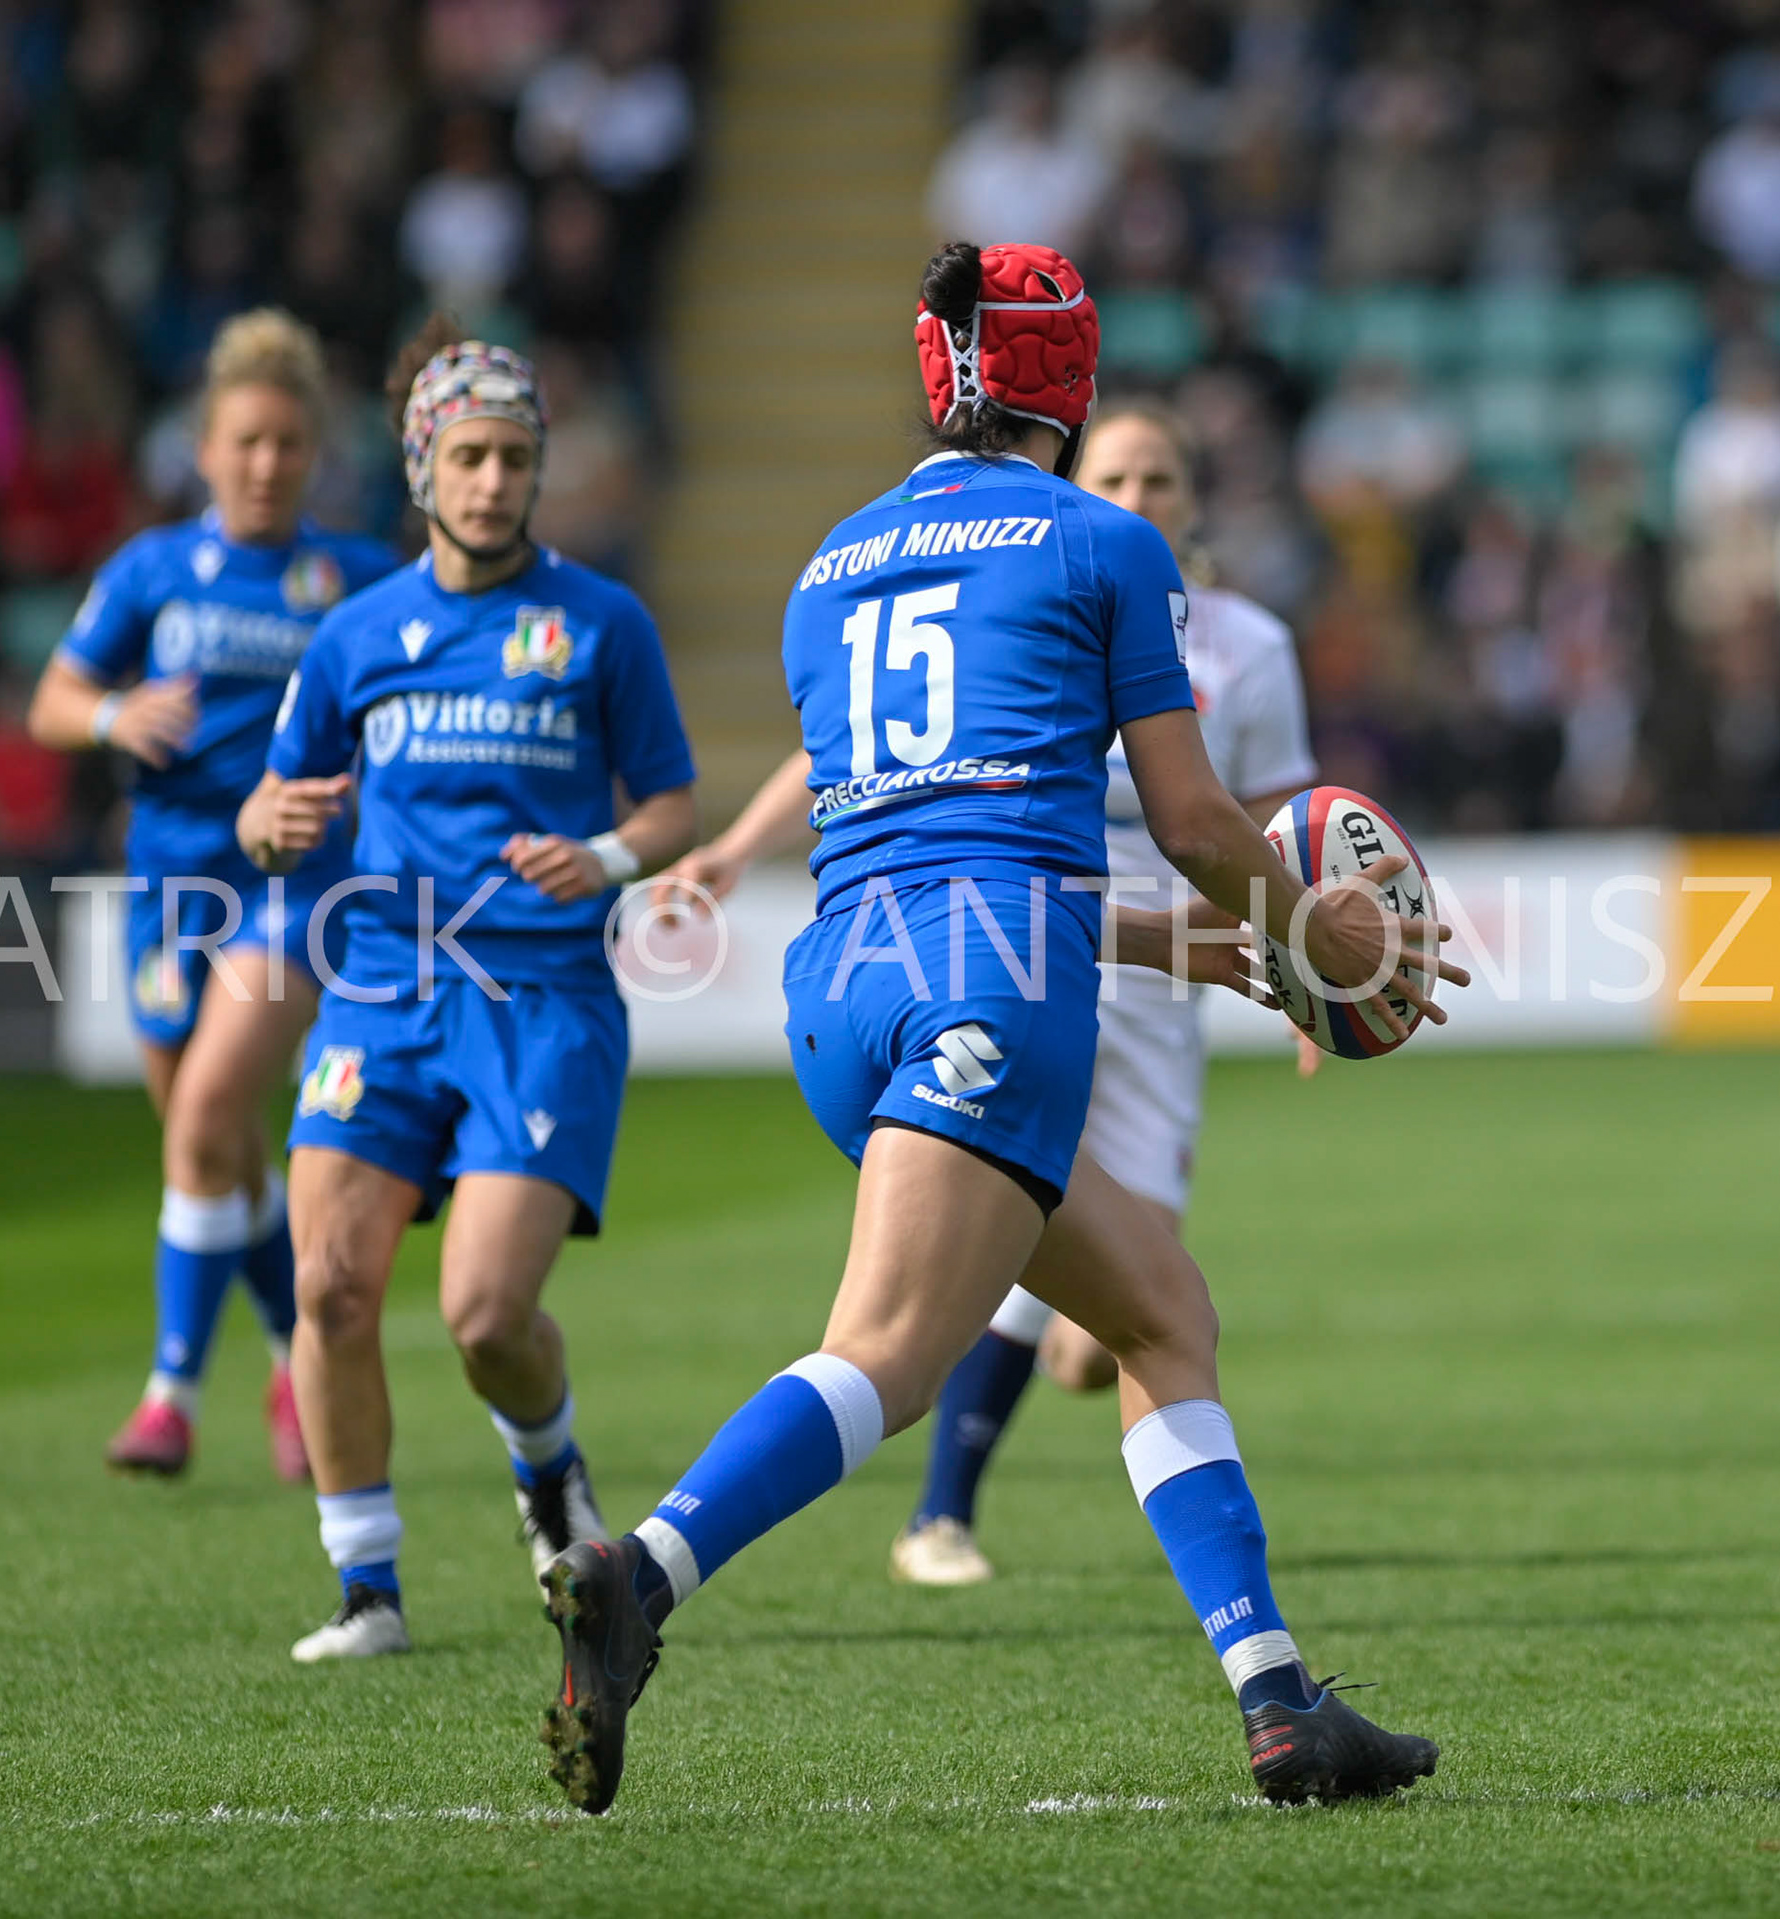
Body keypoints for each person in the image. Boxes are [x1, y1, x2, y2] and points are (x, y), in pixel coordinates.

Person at [536, 242, 1465, 1816]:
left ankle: (1279, 1697)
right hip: (997, 988)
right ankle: (644, 1570)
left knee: (1162, 1308)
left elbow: (929, 850)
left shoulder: (826, 565)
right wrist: (1322, 923)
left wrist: (1191, 943)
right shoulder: (1107, 543)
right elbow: (1187, 811)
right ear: (1070, 378)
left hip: (845, 984)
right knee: (892, 1348)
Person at [237, 319, 697, 1663]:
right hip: (378, 994)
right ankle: (367, 1586)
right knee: (329, 1284)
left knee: (487, 1313)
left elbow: (671, 802)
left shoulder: (602, 623)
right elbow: (277, 802)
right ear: (419, 467)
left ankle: (548, 1467)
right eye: (469, 456)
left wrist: (602, 855)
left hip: (541, 996)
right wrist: (271, 828)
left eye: (514, 456)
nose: (493, 480)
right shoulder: (355, 635)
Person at [890, 396, 1320, 1586]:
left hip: (1179, 972)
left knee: (1093, 1339)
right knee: (1062, 1244)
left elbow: (1275, 814)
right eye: (1117, 477)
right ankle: (940, 1515)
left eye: (1160, 481)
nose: (1136, 500)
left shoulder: (1249, 645)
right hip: (1049, 946)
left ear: (1191, 500)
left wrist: (1307, 971)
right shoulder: (1042, 592)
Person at [28, 309, 401, 1480]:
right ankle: (299, 1358)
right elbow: (52, 698)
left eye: (289, 443)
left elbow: (446, 638)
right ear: (203, 446)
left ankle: (168, 1397)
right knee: (218, 1149)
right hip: (168, 884)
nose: (266, 462)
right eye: (246, 440)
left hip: (295, 886)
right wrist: (110, 714)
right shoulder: (151, 571)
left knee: (204, 1121)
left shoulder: (353, 577)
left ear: (314, 453)